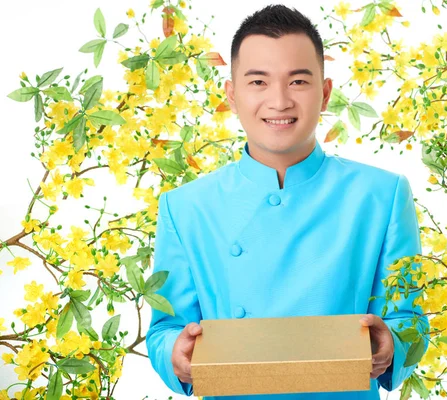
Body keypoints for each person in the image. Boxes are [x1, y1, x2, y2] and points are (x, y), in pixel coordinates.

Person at [146, 4, 429, 399]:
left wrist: (392, 346)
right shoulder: (186, 207)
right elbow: (165, 328)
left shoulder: (381, 195)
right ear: (231, 95)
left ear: (325, 93)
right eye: (258, 82)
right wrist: (174, 352)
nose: (279, 101)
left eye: (297, 82)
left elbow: (407, 319)